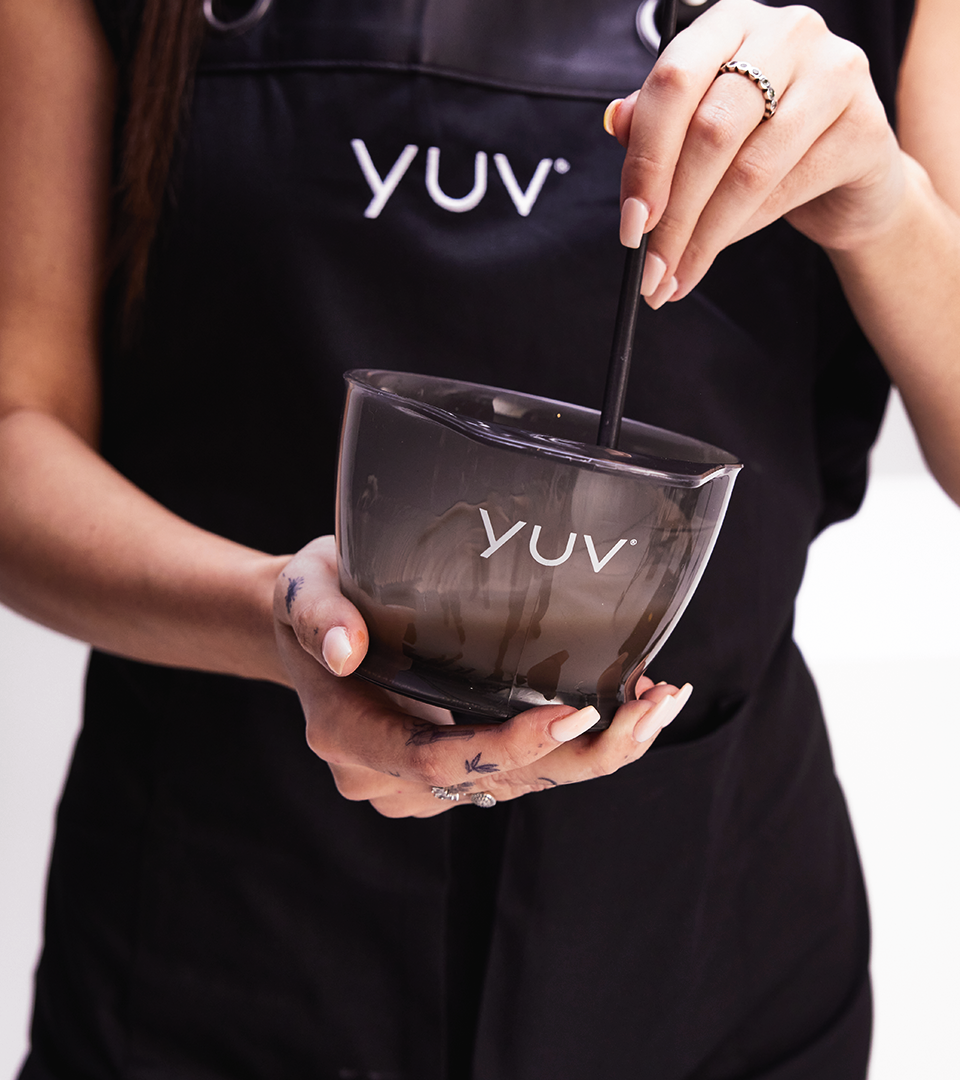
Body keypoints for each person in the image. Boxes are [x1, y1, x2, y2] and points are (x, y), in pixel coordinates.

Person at [1, 0, 957, 1076]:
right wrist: (274, 616)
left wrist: (885, 207)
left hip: (708, 942)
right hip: (207, 931)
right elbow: (14, 432)